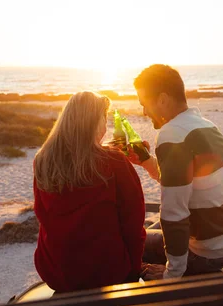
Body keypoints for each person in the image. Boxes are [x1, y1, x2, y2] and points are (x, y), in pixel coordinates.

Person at [128, 64, 223, 280]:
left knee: (129, 242)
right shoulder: (206, 126)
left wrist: (172, 275)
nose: (144, 112)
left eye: (145, 104)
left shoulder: (172, 134)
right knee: (149, 230)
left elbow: (174, 214)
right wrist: (146, 161)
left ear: (162, 99)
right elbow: (187, 183)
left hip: (208, 252)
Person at [32, 91, 146, 292]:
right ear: (95, 122)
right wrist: (133, 273)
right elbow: (134, 225)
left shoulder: (43, 161)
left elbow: (42, 214)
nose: (106, 124)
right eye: (105, 118)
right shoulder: (114, 164)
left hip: (56, 273)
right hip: (106, 274)